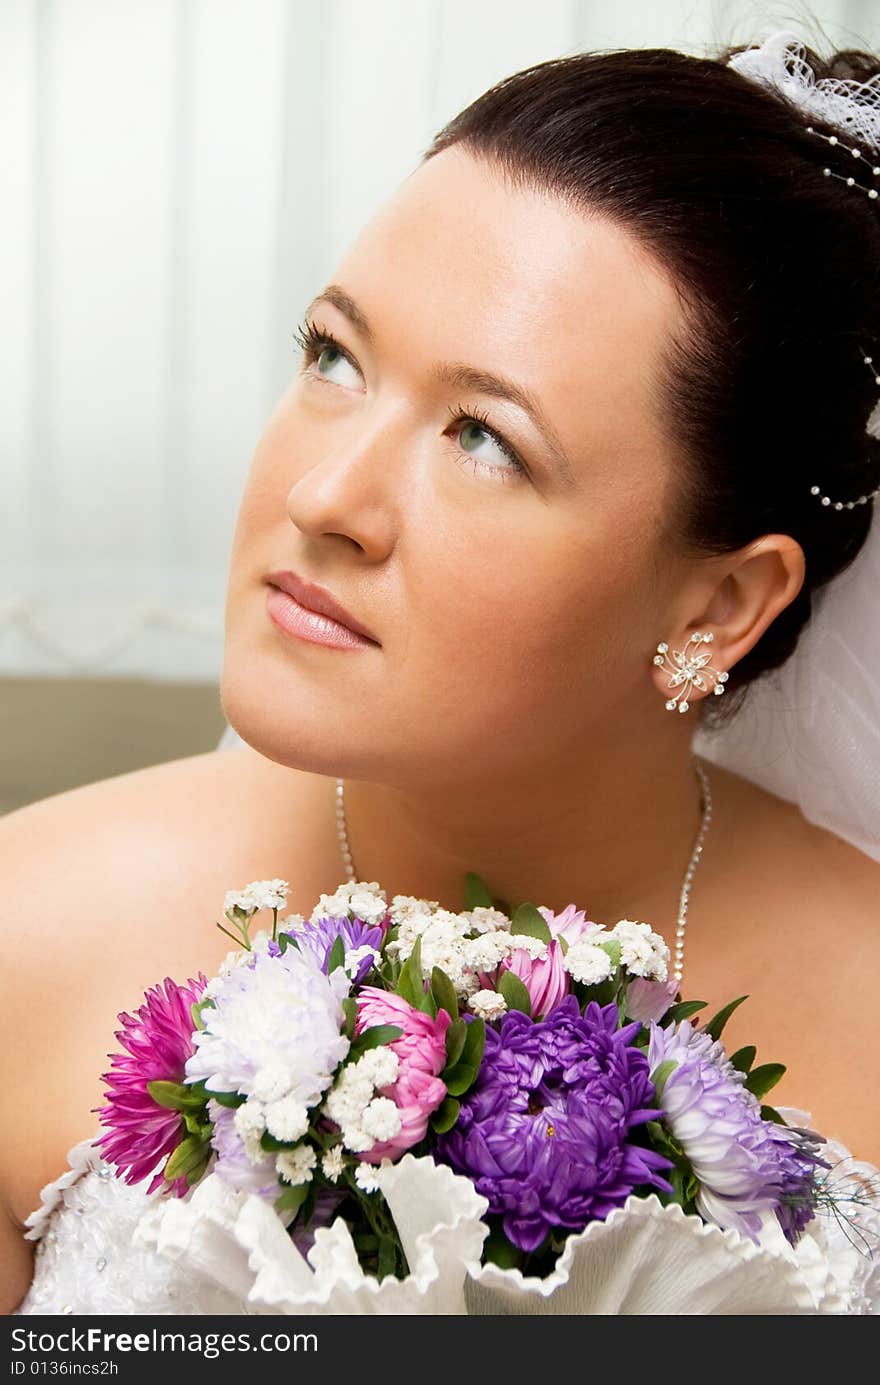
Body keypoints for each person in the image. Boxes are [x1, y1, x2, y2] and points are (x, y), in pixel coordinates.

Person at [3, 30, 880, 1316]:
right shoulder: (28, 932)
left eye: (484, 438)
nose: (322, 495)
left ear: (720, 601)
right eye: (332, 357)